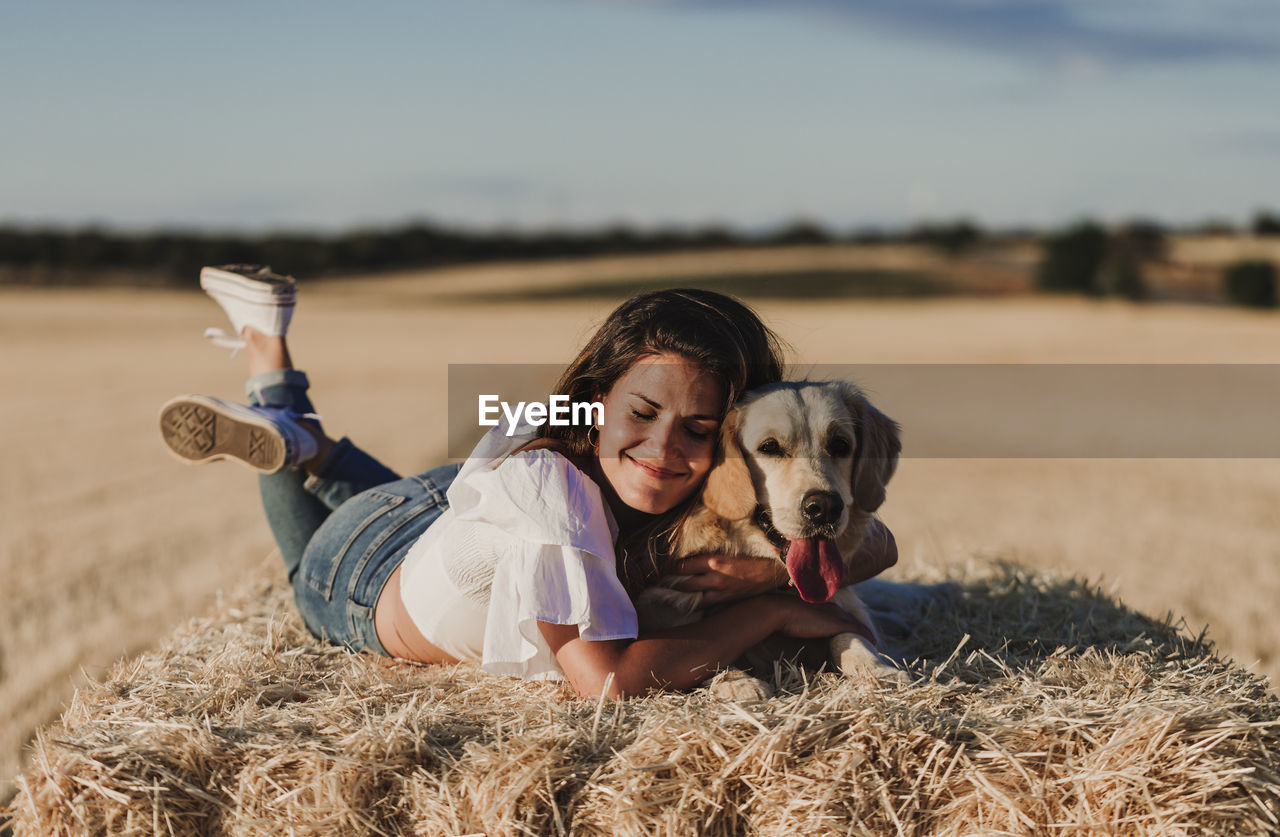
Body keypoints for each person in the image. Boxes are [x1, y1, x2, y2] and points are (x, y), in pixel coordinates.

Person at [159, 265, 897, 698]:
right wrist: (766, 614)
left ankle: (309, 442)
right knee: (301, 560)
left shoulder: (639, 470)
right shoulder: (559, 496)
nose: (667, 447)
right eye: (641, 412)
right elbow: (606, 682)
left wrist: (753, 577)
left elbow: (875, 541)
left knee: (437, 504)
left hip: (451, 509)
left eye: (698, 429)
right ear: (597, 400)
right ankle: (278, 396)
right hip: (364, 570)